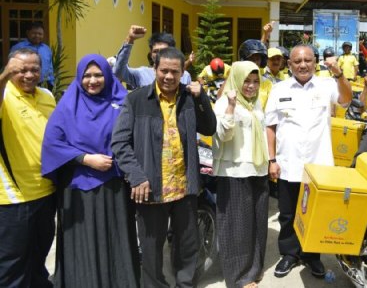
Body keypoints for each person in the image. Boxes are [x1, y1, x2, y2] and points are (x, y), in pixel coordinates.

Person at [111, 47, 216, 288]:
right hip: (150, 188)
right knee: (151, 250)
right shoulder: (136, 100)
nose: (168, 76)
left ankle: (185, 284)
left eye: (174, 72)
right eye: (164, 71)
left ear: (182, 72)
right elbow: (119, 142)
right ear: (155, 69)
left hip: (184, 187)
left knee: (187, 245)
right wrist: (136, 176)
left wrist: (202, 98)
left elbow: (209, 128)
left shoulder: (189, 98)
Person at [41, 54, 140, 288]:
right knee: (83, 242)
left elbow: (136, 136)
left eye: (98, 75)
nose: (92, 80)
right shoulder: (68, 104)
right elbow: (52, 144)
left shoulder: (123, 101)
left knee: (114, 237)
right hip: (78, 189)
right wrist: (85, 159)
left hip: (115, 187)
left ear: (107, 75)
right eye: (87, 75)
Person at [265, 45, 352, 279]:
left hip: (319, 165)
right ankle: (290, 254)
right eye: (297, 61)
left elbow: (346, 99)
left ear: (315, 62)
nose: (302, 65)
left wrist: (339, 74)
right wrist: (271, 160)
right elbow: (270, 126)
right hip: (288, 163)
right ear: (289, 64)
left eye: (307, 60)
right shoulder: (279, 88)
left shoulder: (327, 85)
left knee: (316, 212)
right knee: (287, 213)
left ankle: (312, 256)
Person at [0, 48, 56, 287]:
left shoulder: (47, 96)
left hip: (46, 191)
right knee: (12, 263)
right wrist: (3, 76)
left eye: (34, 69)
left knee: (38, 255)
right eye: (21, 70)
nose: (28, 75)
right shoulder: (4, 96)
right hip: (14, 197)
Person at [214, 62, 270, 288]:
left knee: (256, 224)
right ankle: (239, 278)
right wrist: (230, 106)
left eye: (256, 81)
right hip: (234, 171)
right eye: (246, 80)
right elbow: (223, 135)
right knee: (236, 226)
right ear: (236, 79)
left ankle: (253, 269)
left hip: (258, 169)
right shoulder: (224, 103)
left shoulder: (255, 105)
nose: (251, 86)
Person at [114, 25, 192, 89]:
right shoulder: (142, 74)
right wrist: (130, 39)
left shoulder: (185, 76)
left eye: (164, 51)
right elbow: (119, 72)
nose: (159, 54)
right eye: (155, 51)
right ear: (151, 54)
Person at [10, 21, 55, 88]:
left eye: (40, 34)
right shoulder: (18, 48)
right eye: (34, 33)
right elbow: (12, 67)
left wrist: (52, 83)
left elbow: (50, 68)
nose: (37, 36)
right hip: (26, 82)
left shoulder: (46, 49)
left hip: (45, 84)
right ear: (28, 33)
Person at [238, 39, 273, 109]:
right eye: (251, 59)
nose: (255, 62)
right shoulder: (235, 80)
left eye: (257, 59)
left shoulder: (267, 83)